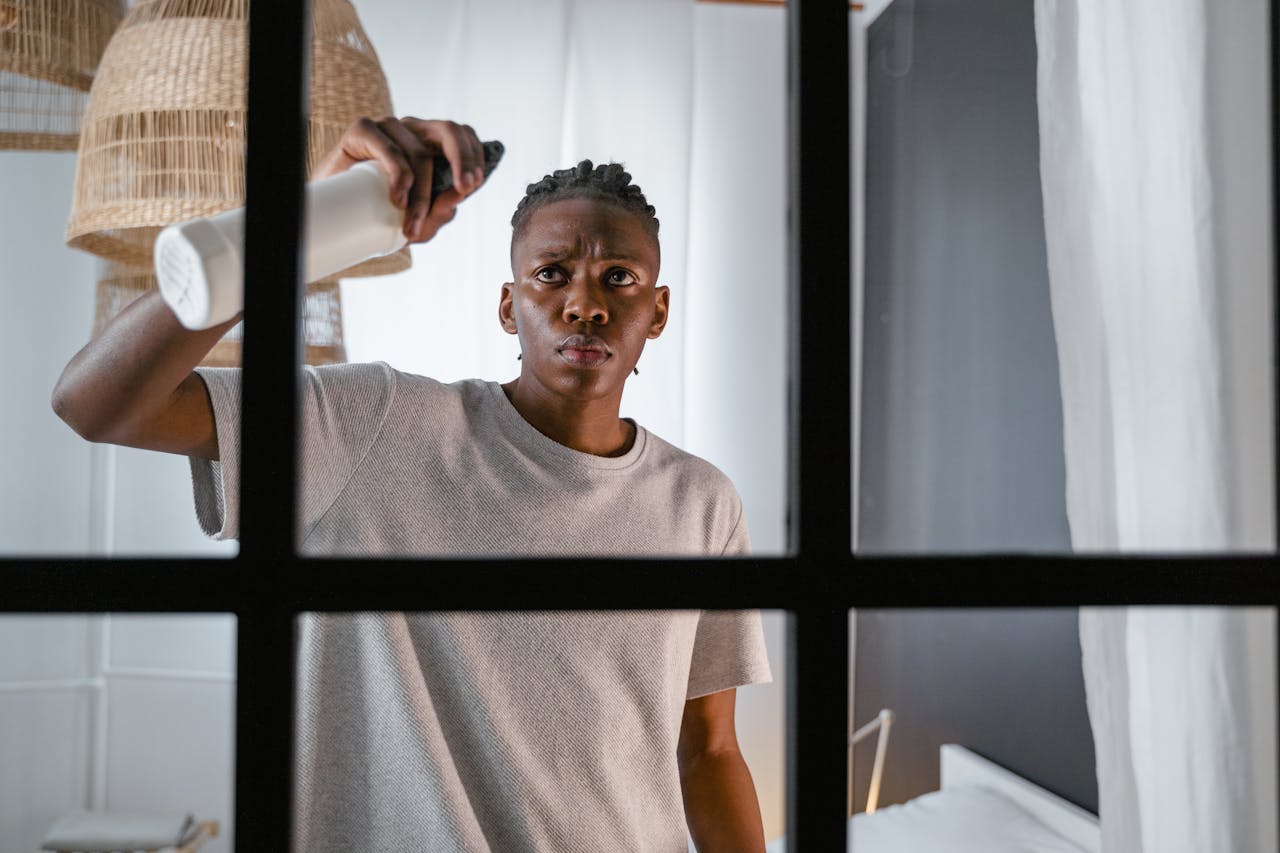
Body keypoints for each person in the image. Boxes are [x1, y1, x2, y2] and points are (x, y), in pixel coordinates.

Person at [52, 116, 771, 852]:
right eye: (551, 273)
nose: (584, 304)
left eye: (618, 278)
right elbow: (95, 402)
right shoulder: (375, 425)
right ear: (507, 305)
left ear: (658, 312)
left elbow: (708, 751)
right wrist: (287, 229)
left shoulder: (702, 502)